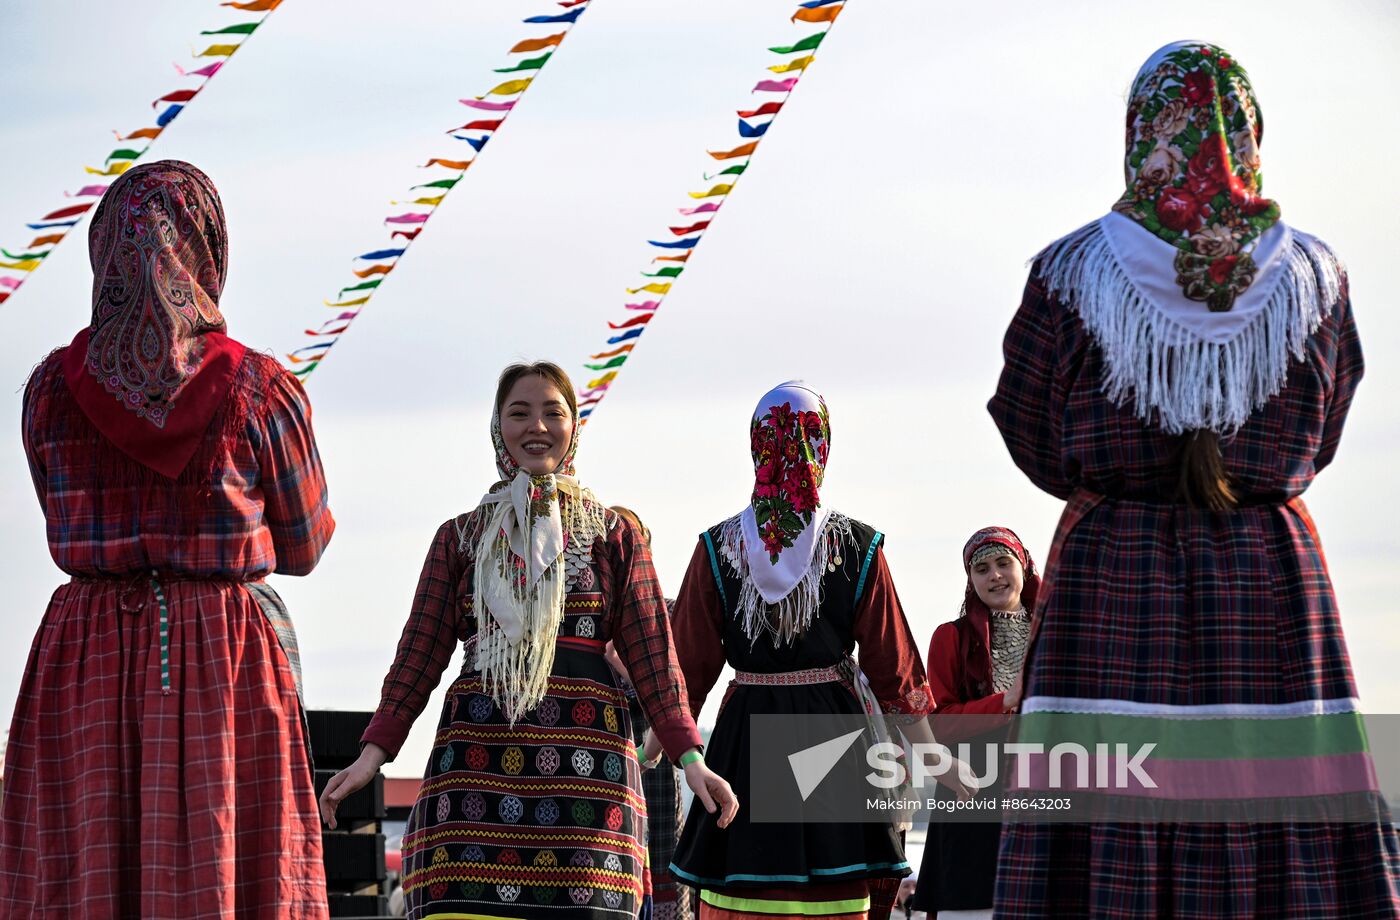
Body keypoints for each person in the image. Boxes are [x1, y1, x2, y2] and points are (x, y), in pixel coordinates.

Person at [988, 41, 1400, 916]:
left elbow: (1026, 426)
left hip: (1110, 579)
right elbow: (1322, 435)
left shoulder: (1072, 272)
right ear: (1246, 130)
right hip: (1272, 579)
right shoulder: (1312, 278)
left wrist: (1114, 475)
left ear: (1144, 131)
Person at [0, 160, 336, 918]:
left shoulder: (49, 390)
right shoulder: (260, 388)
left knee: (85, 866)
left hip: (82, 653)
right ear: (206, 250)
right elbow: (308, 544)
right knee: (219, 865)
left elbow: (58, 509)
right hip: (220, 654)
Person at [319, 362, 737, 920]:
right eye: (519, 412)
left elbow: (654, 657)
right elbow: (417, 657)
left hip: (589, 788)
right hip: (472, 772)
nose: (536, 426)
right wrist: (370, 757)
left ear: (574, 428)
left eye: (552, 412)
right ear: (498, 427)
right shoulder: (460, 538)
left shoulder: (614, 535)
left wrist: (691, 758)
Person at [662, 381, 952, 920]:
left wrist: (660, 740)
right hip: (833, 733)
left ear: (755, 446)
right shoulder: (855, 546)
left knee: (747, 888)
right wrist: (931, 751)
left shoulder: (718, 547)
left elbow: (686, 663)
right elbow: (893, 667)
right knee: (830, 891)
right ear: (824, 447)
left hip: (747, 735)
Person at [914, 527, 1039, 920]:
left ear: (1024, 566)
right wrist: (1005, 702)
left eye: (1004, 563)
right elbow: (936, 724)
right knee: (971, 909)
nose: (995, 576)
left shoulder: (1056, 633)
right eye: (981, 569)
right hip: (973, 791)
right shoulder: (951, 638)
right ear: (970, 579)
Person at [603, 506, 694, 920]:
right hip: (599, 765)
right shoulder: (587, 615)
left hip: (652, 767)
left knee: (660, 872)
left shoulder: (669, 616)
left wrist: (623, 665)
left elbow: (677, 697)